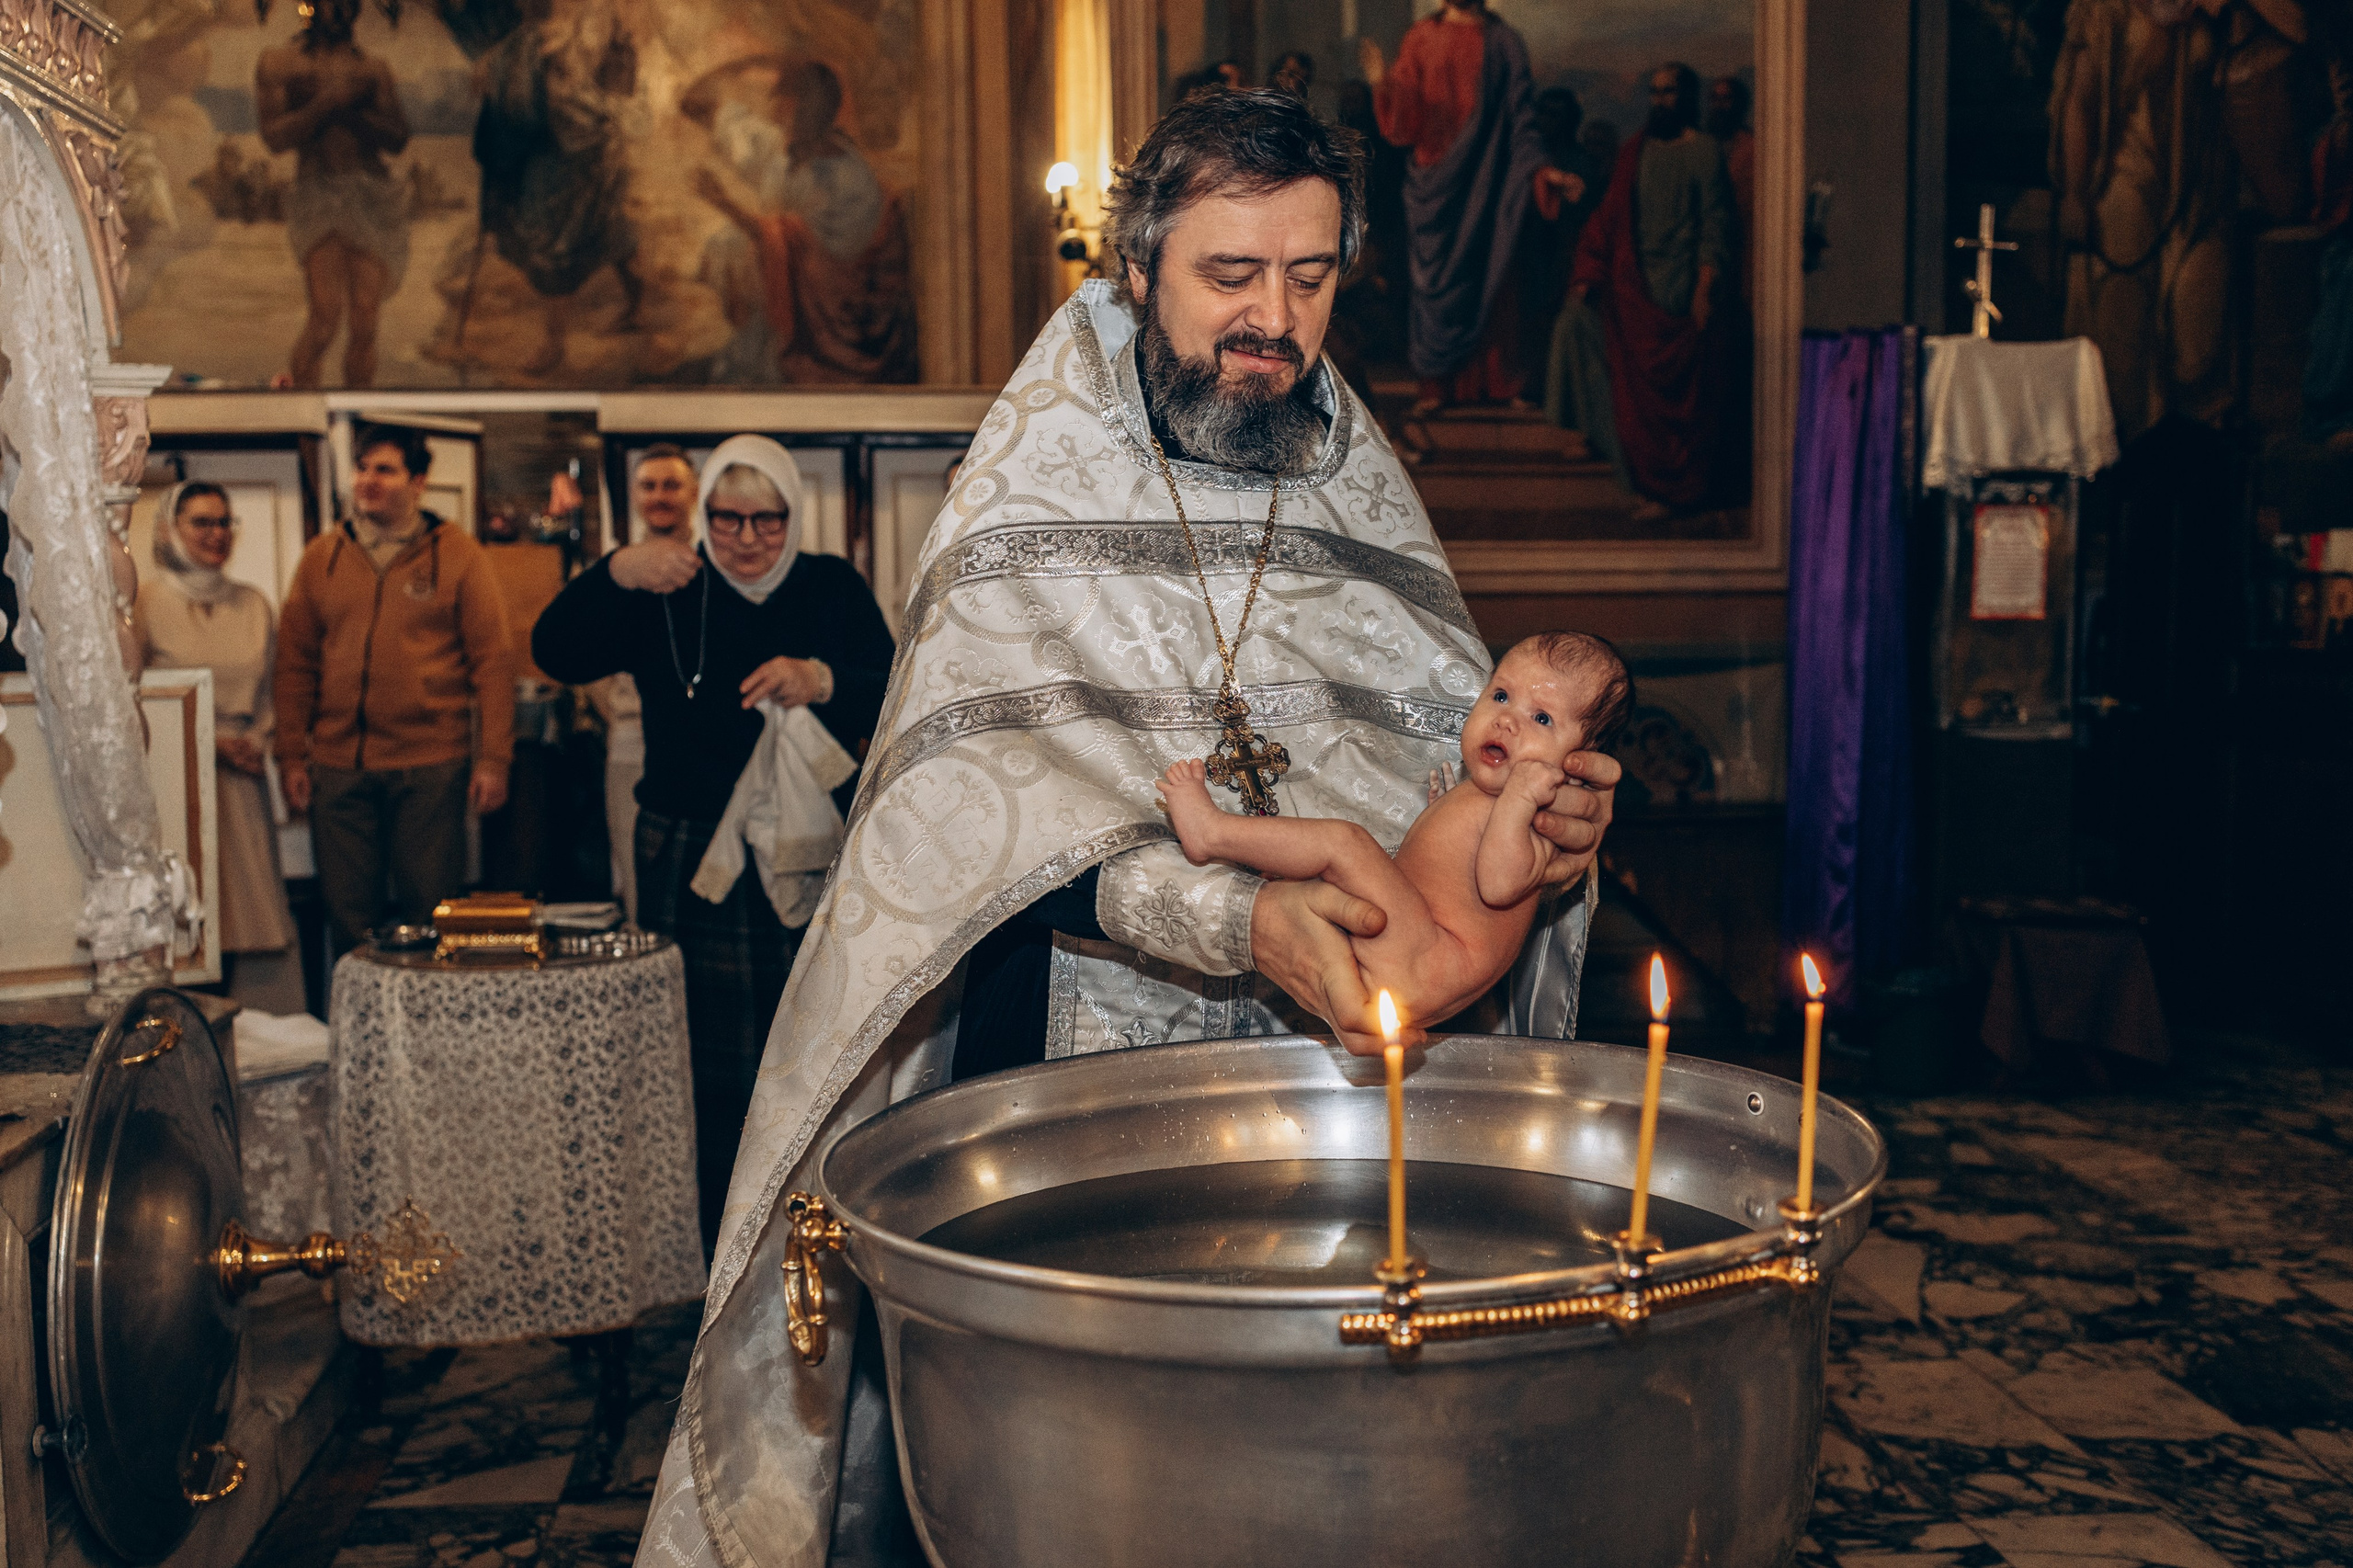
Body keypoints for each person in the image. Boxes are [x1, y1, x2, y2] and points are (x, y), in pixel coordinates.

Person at [631, 87, 1620, 1568]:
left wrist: (1535, 835)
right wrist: (1224, 914)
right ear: (1138, 267)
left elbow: (1449, 781)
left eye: (1312, 276)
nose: (1274, 321)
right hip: (1064, 1082)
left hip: (1330, 1102)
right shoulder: (1031, 482)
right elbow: (951, 827)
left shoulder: (1362, 494)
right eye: (1232, 275)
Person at [532, 436, 894, 1256]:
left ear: (792, 514)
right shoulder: (670, 585)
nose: (747, 538)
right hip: (692, 854)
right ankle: (716, 1254)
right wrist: (614, 571)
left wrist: (820, 679)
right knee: (703, 1069)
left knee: (805, 1054)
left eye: (768, 519)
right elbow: (553, 651)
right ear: (703, 515)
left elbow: (897, 690)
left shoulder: (828, 585)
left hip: (804, 849)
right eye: (727, 519)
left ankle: (810, 1239)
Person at [1160, 633, 1631, 1022]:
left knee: (1345, 843)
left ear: (1579, 764)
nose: (1507, 720)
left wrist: (1522, 799)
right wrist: (1446, 815)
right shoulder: (1492, 799)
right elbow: (1451, 872)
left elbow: (1498, 884)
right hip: (1419, 947)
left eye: (1541, 718)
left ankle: (1211, 833)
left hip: (1433, 960)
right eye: (1501, 695)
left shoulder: (1537, 821)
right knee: (1347, 862)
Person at [275, 425, 516, 949]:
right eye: (362, 469)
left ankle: (429, 1005)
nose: (368, 481)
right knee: (348, 918)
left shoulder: (460, 555)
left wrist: (494, 760)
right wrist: (291, 755)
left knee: (431, 915)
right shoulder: (322, 557)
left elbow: (494, 664)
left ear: (419, 482)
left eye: (385, 470)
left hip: (430, 767)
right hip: (338, 767)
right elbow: (294, 664)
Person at [1358, 0, 1582, 415]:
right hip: (1436, 184)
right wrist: (1383, 85)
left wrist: (1542, 169)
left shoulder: (1503, 41)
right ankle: (1437, 384)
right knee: (1436, 287)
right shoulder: (1421, 37)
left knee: (1495, 278)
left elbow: (1521, 117)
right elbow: (1405, 122)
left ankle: (1501, 381)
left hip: (1491, 181)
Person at [135, 483, 302, 1009]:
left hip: (242, 782)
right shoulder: (144, 603)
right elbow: (132, 699)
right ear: (170, 529)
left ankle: (245, 1037)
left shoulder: (254, 605)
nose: (217, 533)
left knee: (242, 919)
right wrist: (208, 744)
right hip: (176, 781)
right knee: (188, 917)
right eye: (202, 522)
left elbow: (272, 691)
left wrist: (257, 741)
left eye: (224, 522)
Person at [1554, 62, 1741, 521]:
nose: (1660, 101)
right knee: (1577, 324)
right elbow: (1608, 218)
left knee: (1677, 398)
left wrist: (1704, 286)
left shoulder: (1705, 152)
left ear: (1687, 96)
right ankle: (1619, 459)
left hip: (1679, 291)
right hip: (1631, 288)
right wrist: (1588, 273)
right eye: (1654, 93)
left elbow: (1716, 226)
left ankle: (1673, 493)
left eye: (1669, 92)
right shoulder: (1635, 151)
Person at [688, 59, 918, 383]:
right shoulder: (786, 154)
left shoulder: (849, 182)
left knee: (735, 248)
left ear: (807, 110)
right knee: (728, 247)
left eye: (783, 101)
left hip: (837, 330)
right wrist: (747, 63)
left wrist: (723, 202)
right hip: (794, 308)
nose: (773, 111)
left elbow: (816, 263)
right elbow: (694, 105)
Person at [255, 0, 411, 389]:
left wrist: (352, 112)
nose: (340, 10)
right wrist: (325, 105)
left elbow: (397, 137)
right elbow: (274, 137)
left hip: (369, 195)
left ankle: (357, 417)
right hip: (318, 194)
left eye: (348, 3)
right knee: (325, 316)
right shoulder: (281, 63)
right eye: (331, 3)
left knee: (365, 319)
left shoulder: (372, 69)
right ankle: (307, 415)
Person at [586, 443, 699, 918]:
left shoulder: (713, 563)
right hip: (632, 738)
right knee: (637, 871)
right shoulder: (616, 569)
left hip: (703, 740)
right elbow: (588, 659)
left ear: (694, 493)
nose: (659, 496)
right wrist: (622, 712)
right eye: (648, 486)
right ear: (634, 495)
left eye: (671, 485)